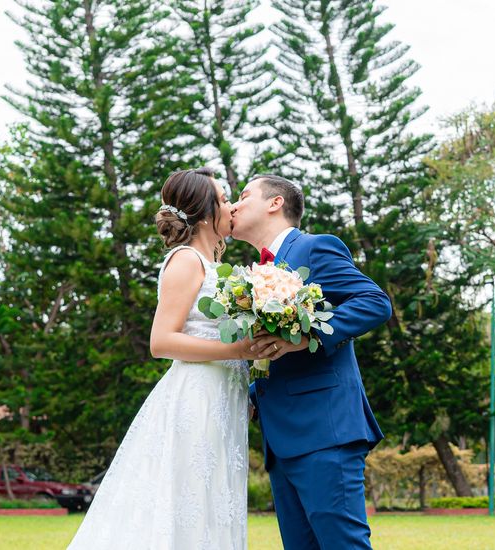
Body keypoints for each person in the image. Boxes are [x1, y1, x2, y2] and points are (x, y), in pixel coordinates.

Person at [67, 167, 277, 550]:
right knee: (191, 500)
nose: (231, 207)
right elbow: (161, 341)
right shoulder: (185, 261)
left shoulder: (213, 267)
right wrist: (238, 351)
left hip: (224, 397)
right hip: (197, 397)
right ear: (204, 210)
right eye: (224, 199)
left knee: (217, 499)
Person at [231, 174, 392, 550]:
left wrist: (309, 336)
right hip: (280, 439)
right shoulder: (256, 272)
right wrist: (254, 393)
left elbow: (374, 302)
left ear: (275, 203)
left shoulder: (314, 248)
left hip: (325, 430)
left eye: (243, 196)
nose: (234, 206)